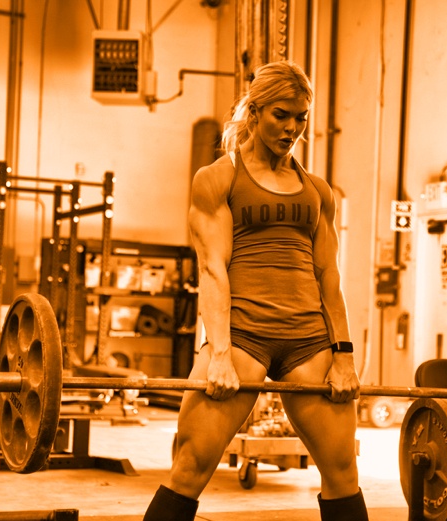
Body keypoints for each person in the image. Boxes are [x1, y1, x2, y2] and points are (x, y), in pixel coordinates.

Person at [143, 60, 369, 521]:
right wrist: (220, 352)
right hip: (242, 335)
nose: (292, 127)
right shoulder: (218, 180)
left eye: (301, 117)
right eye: (281, 115)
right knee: (190, 465)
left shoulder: (319, 192)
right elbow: (212, 269)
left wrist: (343, 355)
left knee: (343, 472)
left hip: (309, 339)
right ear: (254, 112)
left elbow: (330, 277)